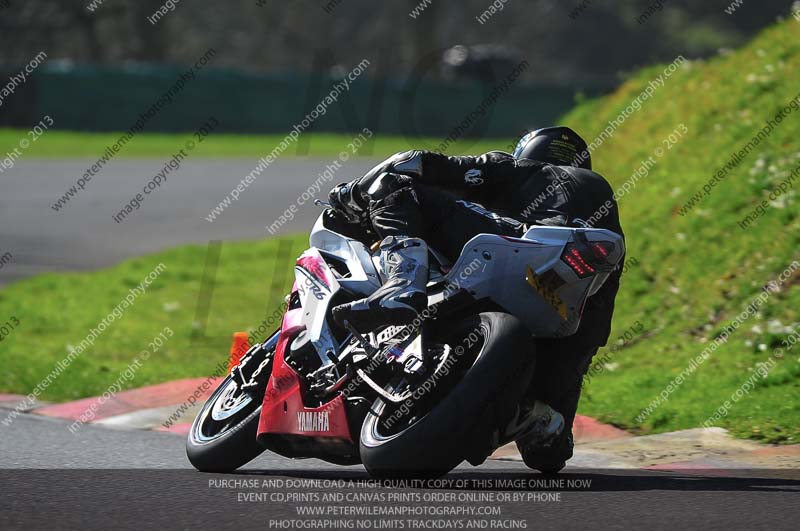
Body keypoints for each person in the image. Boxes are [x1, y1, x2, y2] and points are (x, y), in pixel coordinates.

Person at [327, 126, 625, 472]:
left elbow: (415, 162)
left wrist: (353, 193)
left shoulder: (520, 169)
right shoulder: (603, 225)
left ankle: (402, 281)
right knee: (547, 441)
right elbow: (591, 334)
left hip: (518, 246)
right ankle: (529, 415)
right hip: (563, 312)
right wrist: (555, 426)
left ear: (528, 153)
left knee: (395, 184)